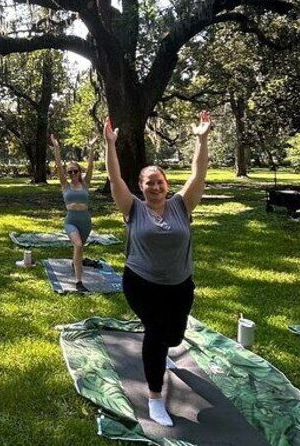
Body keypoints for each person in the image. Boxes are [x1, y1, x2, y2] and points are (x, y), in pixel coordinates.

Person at [104, 110, 211, 427]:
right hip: (141, 283)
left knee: (174, 337)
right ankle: (155, 399)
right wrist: (111, 144)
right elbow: (115, 178)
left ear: (167, 185)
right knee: (154, 333)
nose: (155, 186)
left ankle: (163, 347)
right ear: (141, 186)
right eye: (149, 182)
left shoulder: (181, 204)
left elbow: (199, 174)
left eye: (160, 182)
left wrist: (202, 140)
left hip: (180, 285)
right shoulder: (133, 208)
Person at [49, 133, 97, 292]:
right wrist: (56, 148)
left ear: (79, 171)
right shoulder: (65, 185)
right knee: (77, 244)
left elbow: (90, 166)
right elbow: (59, 166)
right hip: (71, 220)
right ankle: (79, 282)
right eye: (70, 172)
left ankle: (74, 262)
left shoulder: (85, 183)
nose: (72, 174)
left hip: (85, 221)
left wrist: (91, 148)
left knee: (79, 248)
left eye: (75, 171)